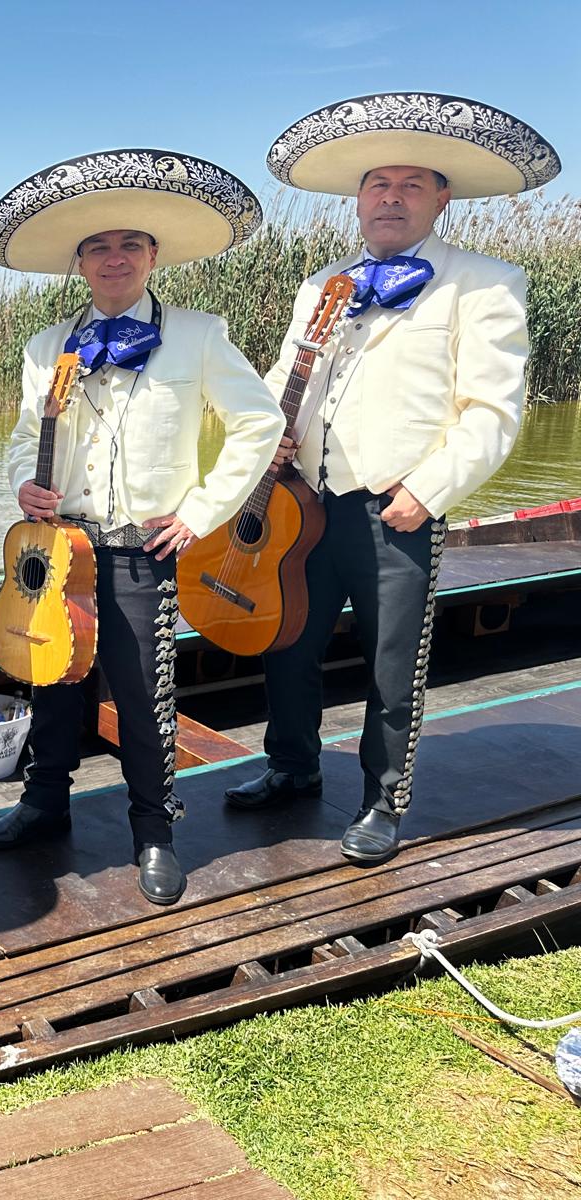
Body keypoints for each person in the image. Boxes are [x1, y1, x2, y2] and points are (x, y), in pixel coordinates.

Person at [227, 93, 559, 863]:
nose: (392, 197)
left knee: (390, 664)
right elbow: (284, 381)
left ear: (442, 198)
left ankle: (384, 800)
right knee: (287, 642)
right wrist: (260, 453)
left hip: (396, 509)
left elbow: (493, 411)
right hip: (302, 507)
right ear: (358, 198)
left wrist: (429, 491)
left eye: (413, 185)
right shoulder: (321, 284)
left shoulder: (485, 282)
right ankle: (291, 766)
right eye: (379, 183)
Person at [0, 150, 282, 904]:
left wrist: (201, 513)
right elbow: (23, 434)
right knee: (51, 678)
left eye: (130, 245)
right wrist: (23, 478)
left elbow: (260, 422)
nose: (114, 258)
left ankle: (154, 829)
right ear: (79, 262)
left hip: (144, 547)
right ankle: (44, 802)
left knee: (146, 696)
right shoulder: (46, 347)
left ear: (152, 256)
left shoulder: (200, 334)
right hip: (61, 545)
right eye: (99, 247)